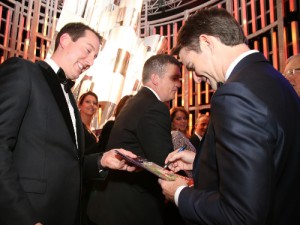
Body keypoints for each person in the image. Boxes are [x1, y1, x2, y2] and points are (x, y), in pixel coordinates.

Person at [158, 8, 300, 225]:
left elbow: (242, 215)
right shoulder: (275, 81)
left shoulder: (235, 95)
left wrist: (179, 194)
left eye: (192, 67)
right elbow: (267, 164)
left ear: (207, 43)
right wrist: (200, 163)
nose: (195, 79)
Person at [0, 22, 137, 225]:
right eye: (88, 50)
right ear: (64, 40)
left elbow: (69, 163)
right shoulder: (23, 71)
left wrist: (102, 161)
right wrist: (23, 218)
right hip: (30, 213)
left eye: (95, 57)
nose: (90, 61)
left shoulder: (71, 99)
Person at [87, 54, 182, 225]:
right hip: (133, 209)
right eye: (174, 78)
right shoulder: (155, 107)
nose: (179, 84)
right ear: (155, 78)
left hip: (113, 206)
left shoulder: (134, 101)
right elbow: (165, 164)